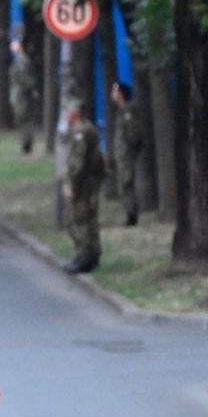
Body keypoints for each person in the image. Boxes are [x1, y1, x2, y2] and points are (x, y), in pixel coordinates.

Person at [63, 100, 105, 274]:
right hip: (89, 182)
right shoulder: (88, 129)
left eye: (68, 112)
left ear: (74, 114)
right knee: (88, 219)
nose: (66, 115)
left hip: (82, 184)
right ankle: (91, 255)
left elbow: (77, 163)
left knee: (79, 220)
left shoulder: (80, 132)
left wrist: (71, 184)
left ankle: (84, 257)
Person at [111, 80, 141, 226]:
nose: (113, 94)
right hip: (122, 154)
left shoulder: (128, 111)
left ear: (121, 94)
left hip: (126, 154)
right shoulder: (121, 110)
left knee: (126, 183)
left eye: (115, 91)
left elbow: (132, 134)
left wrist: (130, 151)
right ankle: (129, 213)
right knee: (123, 184)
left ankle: (132, 216)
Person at [9, 37, 39, 155]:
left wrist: (30, 89)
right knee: (21, 119)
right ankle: (25, 143)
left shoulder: (22, 61)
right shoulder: (20, 60)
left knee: (24, 119)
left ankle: (26, 144)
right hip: (20, 95)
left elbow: (24, 78)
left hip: (22, 95)